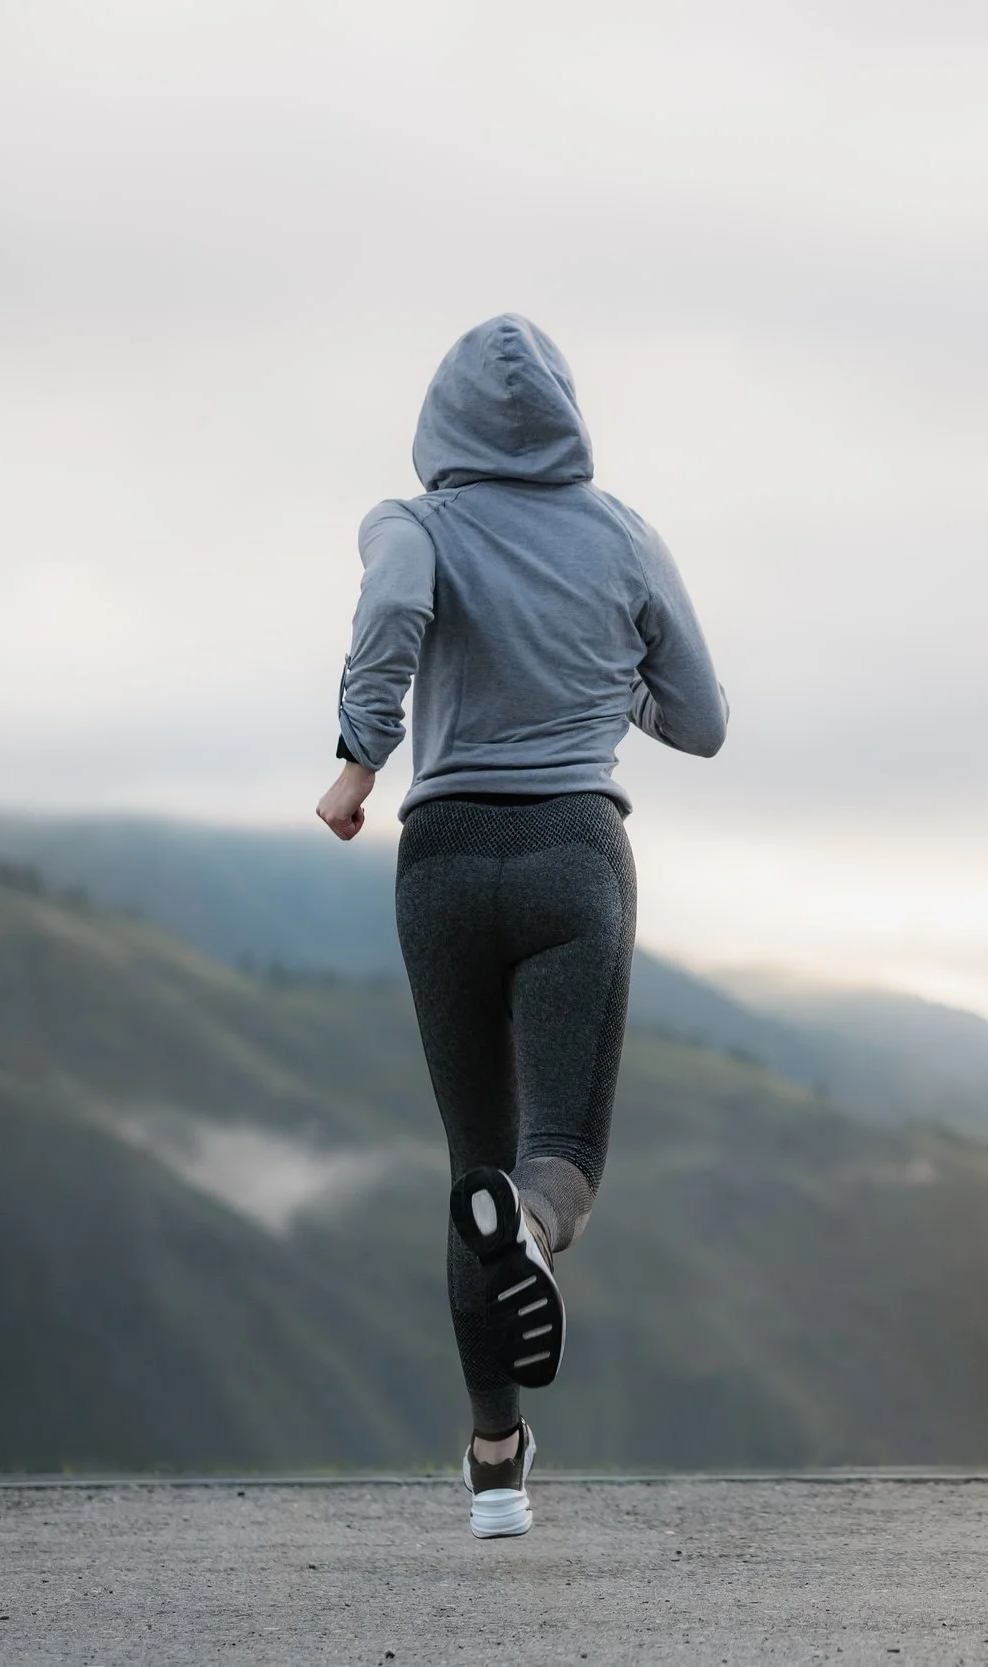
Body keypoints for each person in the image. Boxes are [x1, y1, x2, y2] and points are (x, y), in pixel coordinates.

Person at [317, 314, 726, 1539]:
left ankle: (497, 1462)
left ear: (440, 423)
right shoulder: (622, 534)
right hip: (569, 854)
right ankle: (535, 1232)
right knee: (555, 1163)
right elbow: (700, 718)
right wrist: (606, 681)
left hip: (441, 863)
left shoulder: (414, 523)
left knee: (470, 1165)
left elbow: (392, 608)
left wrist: (356, 758)